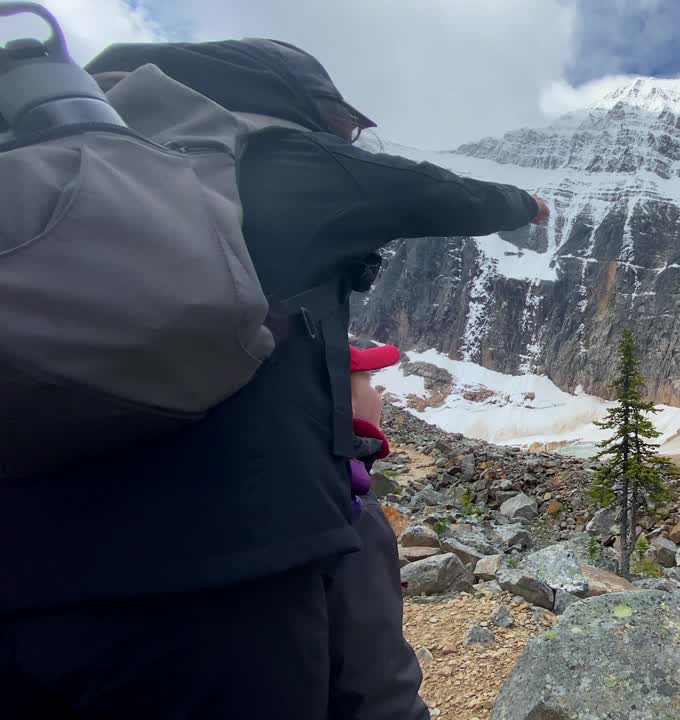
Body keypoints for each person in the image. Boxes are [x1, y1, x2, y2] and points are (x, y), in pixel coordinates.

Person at [0, 38, 546, 719]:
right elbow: (437, 194)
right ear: (296, 104)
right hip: (223, 572)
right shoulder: (270, 157)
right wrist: (523, 203)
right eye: (341, 125)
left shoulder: (60, 165)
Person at [329, 343, 427, 720]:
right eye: (367, 380)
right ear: (345, 403)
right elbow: (377, 688)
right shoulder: (350, 507)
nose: (378, 394)